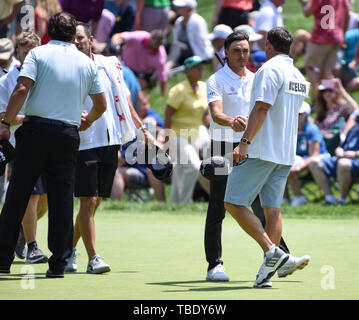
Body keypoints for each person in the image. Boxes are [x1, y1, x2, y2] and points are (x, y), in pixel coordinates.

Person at [0, 12, 107, 278]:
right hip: (67, 135)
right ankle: (58, 264)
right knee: (61, 200)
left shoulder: (38, 54)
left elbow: (22, 89)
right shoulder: (86, 63)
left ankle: (2, 260)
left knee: (17, 195)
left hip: (35, 131)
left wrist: (6, 121)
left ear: (48, 32)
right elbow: (101, 105)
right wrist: (87, 121)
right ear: (73, 36)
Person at [223, 27, 311, 288]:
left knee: (232, 202)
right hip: (285, 154)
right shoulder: (297, 75)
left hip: (261, 149)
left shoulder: (268, 70)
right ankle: (267, 275)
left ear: (270, 46)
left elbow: (262, 108)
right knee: (272, 210)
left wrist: (244, 143)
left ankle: (274, 252)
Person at [64, 22, 152, 274]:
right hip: (83, 143)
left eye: (80, 37)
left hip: (110, 141)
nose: (76, 42)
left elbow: (125, 103)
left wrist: (142, 130)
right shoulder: (66, 69)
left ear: (90, 40)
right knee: (88, 200)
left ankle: (67, 249)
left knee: (95, 201)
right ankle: (93, 258)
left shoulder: (109, 64)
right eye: (72, 39)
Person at [204, 31, 290, 282]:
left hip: (250, 146)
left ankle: (279, 258)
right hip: (222, 147)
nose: (242, 55)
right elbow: (216, 113)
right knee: (219, 206)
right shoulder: (215, 80)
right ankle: (214, 265)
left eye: (246, 51)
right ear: (226, 53)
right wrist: (232, 121)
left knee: (260, 206)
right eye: (236, 51)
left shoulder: (257, 77)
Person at [0, 31, 49, 264]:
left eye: (33, 51)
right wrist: (33, 116)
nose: (28, 55)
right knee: (31, 195)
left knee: (45, 198)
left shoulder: (47, 76)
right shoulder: (7, 81)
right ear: (17, 52)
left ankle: (22, 229)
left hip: (47, 140)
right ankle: (32, 246)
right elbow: (3, 116)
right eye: (24, 51)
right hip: (19, 144)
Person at [165, 56, 210, 204]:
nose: (200, 70)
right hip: (178, 136)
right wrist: (166, 140)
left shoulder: (204, 87)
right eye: (197, 68)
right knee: (193, 167)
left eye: (201, 67)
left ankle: (174, 203)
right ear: (188, 71)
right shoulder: (178, 90)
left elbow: (204, 113)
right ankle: (184, 202)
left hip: (196, 135)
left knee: (180, 170)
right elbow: (168, 115)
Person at [300, 0, 350, 94]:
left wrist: (303, 3)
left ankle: (318, 98)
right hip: (337, 37)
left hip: (321, 37)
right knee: (328, 72)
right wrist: (343, 34)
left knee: (309, 66)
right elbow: (347, 14)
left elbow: (307, 13)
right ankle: (331, 102)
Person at [286, 101, 330, 206]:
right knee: (280, 164)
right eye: (294, 113)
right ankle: (285, 198)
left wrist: (299, 168)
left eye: (299, 114)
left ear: (306, 115)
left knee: (292, 165)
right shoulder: (290, 130)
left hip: (319, 159)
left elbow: (314, 155)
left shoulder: (311, 129)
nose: (296, 117)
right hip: (301, 159)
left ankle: (300, 197)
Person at [309, 116, 359, 205]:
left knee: (343, 163)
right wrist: (339, 149)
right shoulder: (354, 127)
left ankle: (342, 200)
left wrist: (355, 154)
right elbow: (342, 145)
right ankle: (329, 198)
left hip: (355, 160)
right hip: (341, 158)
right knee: (314, 162)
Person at [111, 29, 168, 95]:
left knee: (131, 86)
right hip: (125, 66)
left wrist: (163, 95)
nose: (150, 50)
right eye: (149, 46)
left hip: (142, 75)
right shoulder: (139, 36)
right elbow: (118, 36)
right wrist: (115, 45)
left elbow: (163, 77)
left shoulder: (160, 57)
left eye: (154, 48)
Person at [166, 0, 214, 71]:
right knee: (167, 45)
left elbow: (202, 41)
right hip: (181, 51)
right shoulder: (179, 21)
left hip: (195, 52)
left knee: (177, 46)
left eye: (181, 7)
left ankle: (168, 66)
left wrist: (204, 57)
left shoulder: (198, 21)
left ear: (188, 8)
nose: (178, 8)